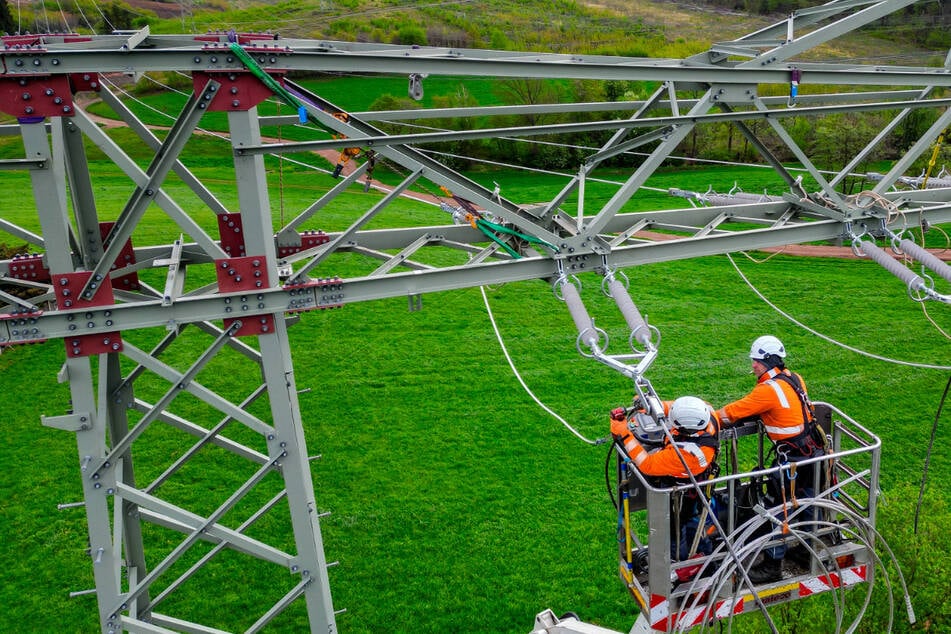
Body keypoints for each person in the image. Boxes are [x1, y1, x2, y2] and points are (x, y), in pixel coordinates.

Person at [716, 335, 826, 583]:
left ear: (767, 360)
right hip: (812, 453)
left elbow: (732, 412)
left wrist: (705, 420)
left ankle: (772, 566)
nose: (752, 365)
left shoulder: (768, 390)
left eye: (755, 360)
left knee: (776, 510)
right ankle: (806, 551)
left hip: (791, 461)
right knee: (808, 502)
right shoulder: (795, 378)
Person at [611, 395, 721, 564]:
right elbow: (676, 408)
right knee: (694, 524)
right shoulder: (708, 414)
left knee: (677, 530)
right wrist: (653, 406)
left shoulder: (685, 455)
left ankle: (682, 565)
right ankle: (699, 557)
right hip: (696, 487)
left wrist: (624, 434)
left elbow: (647, 464)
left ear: (683, 428)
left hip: (682, 496)